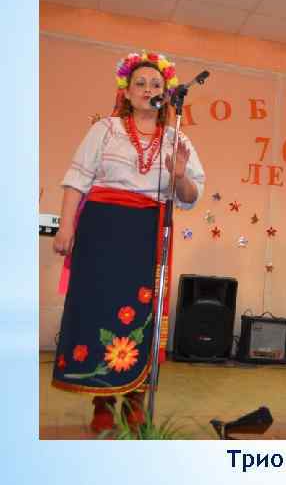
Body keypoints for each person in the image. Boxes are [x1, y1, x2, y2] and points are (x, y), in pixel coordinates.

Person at [51, 50, 205, 433]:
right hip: (102, 228)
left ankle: (135, 396)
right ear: (127, 90)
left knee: (142, 310)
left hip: (148, 231)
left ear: (166, 94)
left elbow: (190, 196)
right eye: (141, 83)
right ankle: (102, 398)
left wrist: (180, 175)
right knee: (100, 308)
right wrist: (66, 227)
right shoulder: (105, 130)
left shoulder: (177, 139)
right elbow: (76, 179)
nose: (148, 89)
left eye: (156, 84)